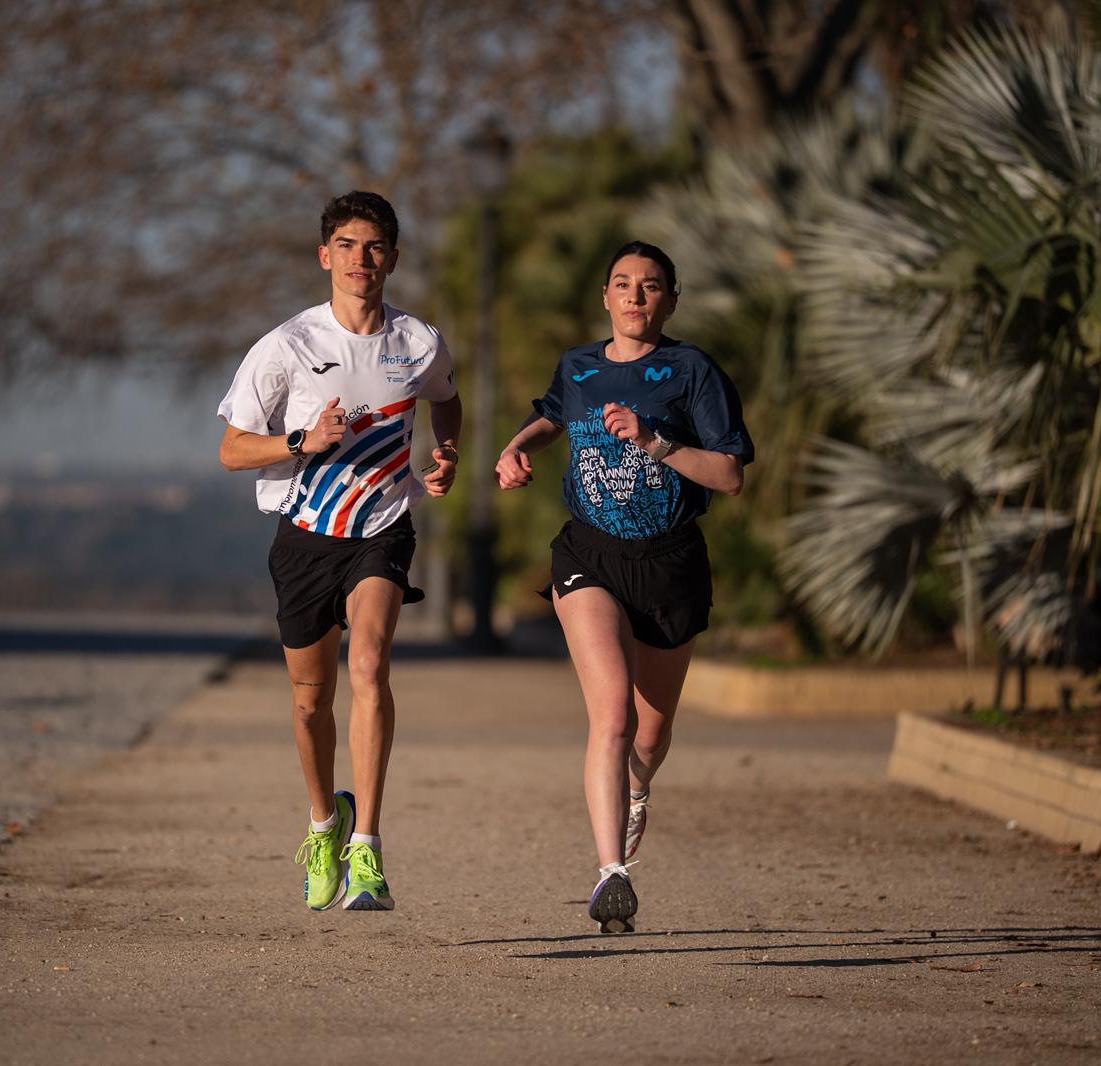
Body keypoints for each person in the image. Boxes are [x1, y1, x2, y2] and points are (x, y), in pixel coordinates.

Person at [494, 241, 752, 932]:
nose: (635, 296)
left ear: (669, 299)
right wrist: (516, 447)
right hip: (590, 554)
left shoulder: (693, 371)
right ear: (604, 297)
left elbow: (729, 476)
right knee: (613, 716)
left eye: (650, 286)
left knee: (650, 732)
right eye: (622, 284)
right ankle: (612, 874)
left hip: (671, 563)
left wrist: (656, 444)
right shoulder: (579, 365)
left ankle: (638, 791)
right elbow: (553, 414)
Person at [217, 191, 462, 912]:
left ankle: (370, 851)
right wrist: (302, 442)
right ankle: (326, 823)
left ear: (393, 256)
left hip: (382, 528)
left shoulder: (418, 341)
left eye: (376, 245)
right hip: (303, 536)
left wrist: (446, 451)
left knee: (370, 665)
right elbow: (232, 449)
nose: (362, 259)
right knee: (307, 704)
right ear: (325, 256)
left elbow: (445, 396)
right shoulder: (286, 345)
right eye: (348, 245)